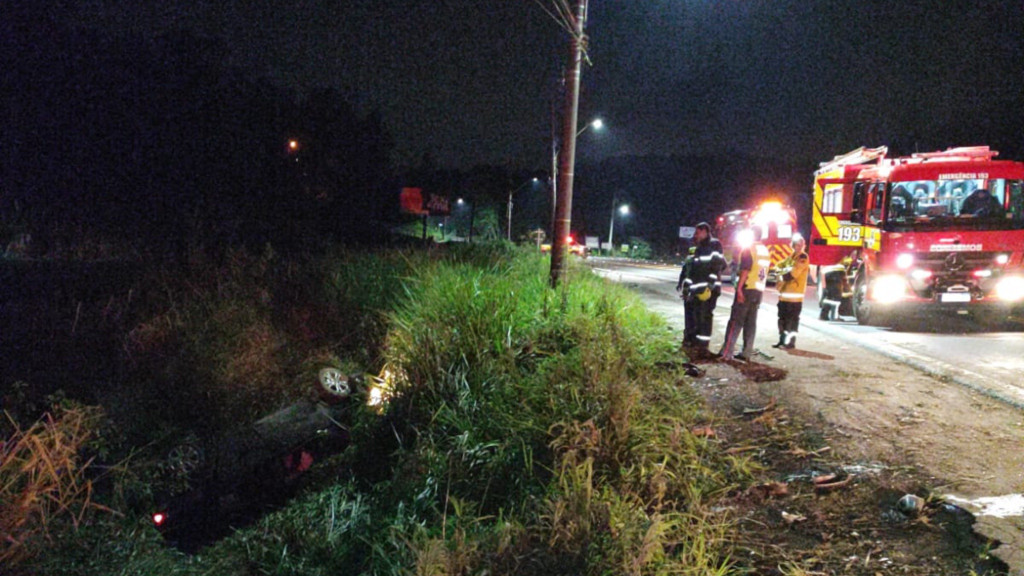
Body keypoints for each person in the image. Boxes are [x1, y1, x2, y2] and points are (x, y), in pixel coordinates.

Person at [717, 227, 770, 361]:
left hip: (747, 289)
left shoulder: (749, 249)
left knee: (736, 321)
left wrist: (739, 289)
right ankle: (746, 352)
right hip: (758, 291)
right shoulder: (765, 250)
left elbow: (745, 270)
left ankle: (726, 353)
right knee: (750, 323)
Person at [677, 222, 726, 348]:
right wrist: (687, 288)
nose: (695, 235)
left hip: (709, 290)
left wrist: (710, 285)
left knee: (705, 317)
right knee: (698, 317)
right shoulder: (699, 248)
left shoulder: (715, 244)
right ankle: (696, 343)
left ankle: (703, 346)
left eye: (697, 233)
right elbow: (692, 271)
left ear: (705, 231)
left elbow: (718, 265)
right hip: (698, 289)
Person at [772, 234, 809, 349]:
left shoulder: (802, 257)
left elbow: (793, 274)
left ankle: (790, 343)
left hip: (795, 297)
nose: (799, 247)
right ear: (793, 245)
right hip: (784, 296)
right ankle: (782, 340)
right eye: (797, 245)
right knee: (782, 319)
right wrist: (781, 271)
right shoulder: (791, 257)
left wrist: (780, 276)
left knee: (792, 321)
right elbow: (777, 266)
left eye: (801, 245)